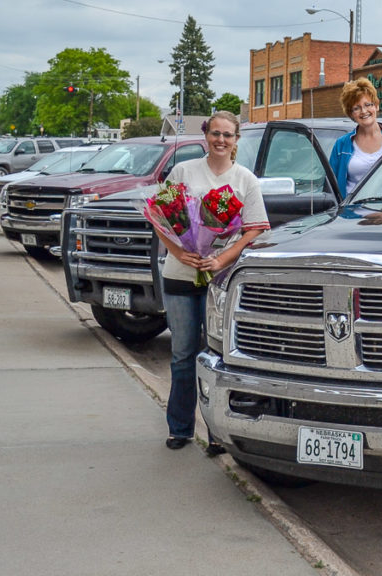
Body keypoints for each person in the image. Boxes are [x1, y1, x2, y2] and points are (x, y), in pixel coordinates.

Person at [155, 110, 270, 453]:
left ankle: (217, 432)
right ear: (206, 135)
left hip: (220, 280)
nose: (221, 140)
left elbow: (255, 230)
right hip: (179, 276)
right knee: (182, 354)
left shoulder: (244, 179)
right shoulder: (183, 171)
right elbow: (160, 218)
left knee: (216, 357)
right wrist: (178, 252)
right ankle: (180, 428)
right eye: (215, 133)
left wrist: (221, 258)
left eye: (228, 135)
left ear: (236, 140)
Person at [328, 77, 382, 198]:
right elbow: (330, 189)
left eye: (368, 104)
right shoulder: (341, 145)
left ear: (376, 106)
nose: (364, 111)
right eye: (356, 108)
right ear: (351, 114)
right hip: (352, 213)